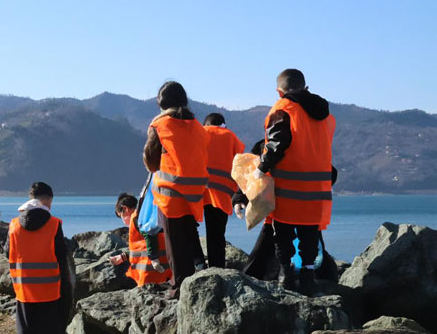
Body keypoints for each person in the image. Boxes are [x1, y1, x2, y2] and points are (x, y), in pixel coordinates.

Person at [255, 69, 336, 294]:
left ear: (279, 91)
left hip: (288, 186)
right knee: (310, 233)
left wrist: (261, 168)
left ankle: (286, 274)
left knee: (283, 233)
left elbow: (276, 144)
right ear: (305, 87)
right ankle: (309, 277)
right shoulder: (326, 116)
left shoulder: (283, 109)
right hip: (317, 186)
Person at [143, 81, 208, 297]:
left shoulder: (160, 125)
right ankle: (189, 282)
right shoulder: (198, 127)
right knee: (189, 237)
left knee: (174, 242)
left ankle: (178, 286)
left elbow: (151, 162)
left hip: (170, 193)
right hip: (195, 192)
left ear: (160, 103)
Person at [7, 182, 73, 334]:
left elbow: (6, 252)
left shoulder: (14, 225)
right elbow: (61, 255)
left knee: (25, 328)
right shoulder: (54, 224)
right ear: (46, 201)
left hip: (24, 287)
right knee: (50, 329)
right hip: (50, 287)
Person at [202, 113, 245, 268]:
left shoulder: (199, 133)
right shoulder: (231, 136)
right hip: (222, 193)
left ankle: (198, 263)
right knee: (216, 234)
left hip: (197, 192)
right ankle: (217, 267)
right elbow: (240, 162)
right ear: (223, 125)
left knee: (190, 231)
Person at [109, 192, 171, 286]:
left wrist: (154, 259)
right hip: (163, 271)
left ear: (125, 209)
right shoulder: (146, 215)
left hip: (152, 274)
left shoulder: (138, 218)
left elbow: (149, 235)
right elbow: (142, 249)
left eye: (121, 216)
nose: (124, 222)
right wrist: (123, 257)